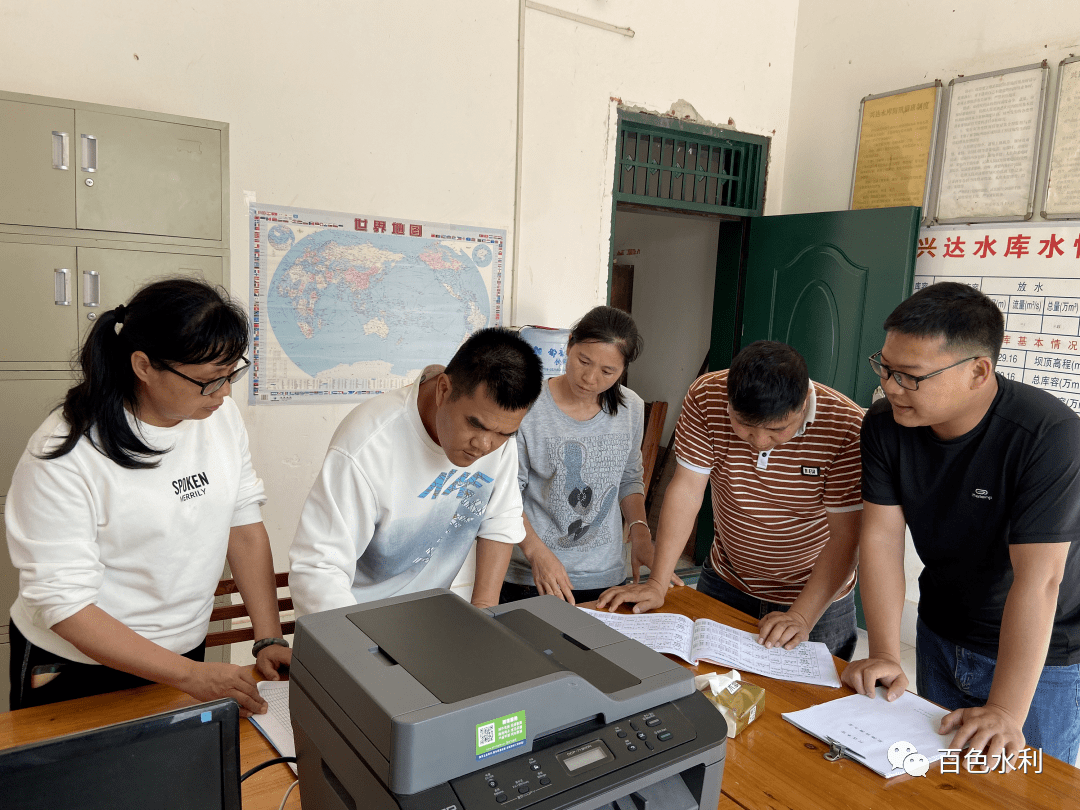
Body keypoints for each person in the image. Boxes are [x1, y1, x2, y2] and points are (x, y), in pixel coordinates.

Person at [6, 278, 289, 714]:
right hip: (78, 664)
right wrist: (190, 675)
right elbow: (64, 604)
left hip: (182, 655)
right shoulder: (65, 451)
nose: (226, 392)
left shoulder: (217, 416)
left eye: (231, 373)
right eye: (210, 380)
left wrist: (267, 637)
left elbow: (243, 522)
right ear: (143, 366)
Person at [843, 281, 1080, 767]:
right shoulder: (886, 426)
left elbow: (1041, 579)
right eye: (885, 367)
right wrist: (886, 651)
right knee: (934, 778)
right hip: (941, 629)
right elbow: (882, 537)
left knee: (1021, 789)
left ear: (977, 371)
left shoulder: (1048, 436)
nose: (890, 386)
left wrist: (1006, 710)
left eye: (910, 375)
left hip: (1044, 656)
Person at [597, 340, 865, 661]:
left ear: (804, 402)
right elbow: (687, 490)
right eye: (746, 427)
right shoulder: (706, 395)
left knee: (806, 705)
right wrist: (657, 581)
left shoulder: (847, 427)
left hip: (814, 597)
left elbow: (848, 536)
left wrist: (802, 616)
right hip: (727, 579)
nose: (760, 442)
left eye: (777, 429)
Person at [289, 328, 543, 615]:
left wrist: (484, 614)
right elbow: (319, 566)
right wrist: (355, 649)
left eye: (503, 433)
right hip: (354, 622)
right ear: (444, 390)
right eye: (476, 425)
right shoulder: (368, 444)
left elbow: (501, 519)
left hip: (429, 622)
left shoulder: (496, 438)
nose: (484, 445)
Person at [501, 306, 677, 605]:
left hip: (608, 578)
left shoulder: (629, 407)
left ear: (623, 370)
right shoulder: (527, 405)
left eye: (608, 371)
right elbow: (506, 493)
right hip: (534, 577)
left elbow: (629, 478)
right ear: (569, 345)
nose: (590, 378)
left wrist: (640, 533)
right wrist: (536, 552)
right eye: (583, 361)